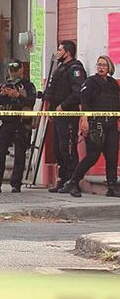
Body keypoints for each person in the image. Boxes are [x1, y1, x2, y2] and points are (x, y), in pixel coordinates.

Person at [63, 55, 120, 198]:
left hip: (111, 124)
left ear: (109, 68)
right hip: (96, 123)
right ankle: (73, 182)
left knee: (112, 156)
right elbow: (85, 102)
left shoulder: (113, 84)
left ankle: (112, 186)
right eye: (99, 65)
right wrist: (85, 120)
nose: (101, 67)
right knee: (93, 156)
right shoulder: (91, 82)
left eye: (104, 65)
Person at [0, 61, 37, 194]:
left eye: (15, 70)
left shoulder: (28, 85)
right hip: (6, 124)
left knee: (19, 156)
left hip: (21, 124)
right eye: (11, 70)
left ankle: (16, 184)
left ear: (21, 70)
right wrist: (3, 94)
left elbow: (31, 101)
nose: (12, 72)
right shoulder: (4, 84)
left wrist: (17, 95)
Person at [43, 40, 86, 192]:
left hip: (68, 114)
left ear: (67, 52)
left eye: (60, 50)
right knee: (57, 149)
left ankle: (72, 181)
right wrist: (50, 108)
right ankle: (63, 178)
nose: (57, 52)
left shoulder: (75, 69)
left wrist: (63, 106)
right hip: (57, 114)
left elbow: (78, 92)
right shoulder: (61, 68)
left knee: (67, 147)